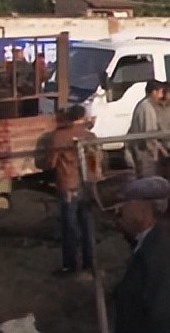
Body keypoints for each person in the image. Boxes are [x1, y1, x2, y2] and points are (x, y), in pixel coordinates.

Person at [113, 176, 170, 333]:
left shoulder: (159, 252)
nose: (120, 211)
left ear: (143, 210)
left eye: (126, 204)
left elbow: (163, 313)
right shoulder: (156, 237)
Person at [48, 105, 103, 277]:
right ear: (83, 117)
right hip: (86, 186)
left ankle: (70, 265)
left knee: (69, 226)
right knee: (87, 225)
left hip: (68, 185)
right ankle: (89, 263)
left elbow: (51, 162)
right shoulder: (90, 136)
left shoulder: (59, 136)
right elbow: (94, 164)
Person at [125, 80, 167, 178]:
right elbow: (149, 133)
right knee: (148, 177)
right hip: (145, 152)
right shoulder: (146, 107)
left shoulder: (143, 105)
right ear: (154, 92)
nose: (162, 95)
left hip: (141, 149)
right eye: (161, 92)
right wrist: (154, 153)